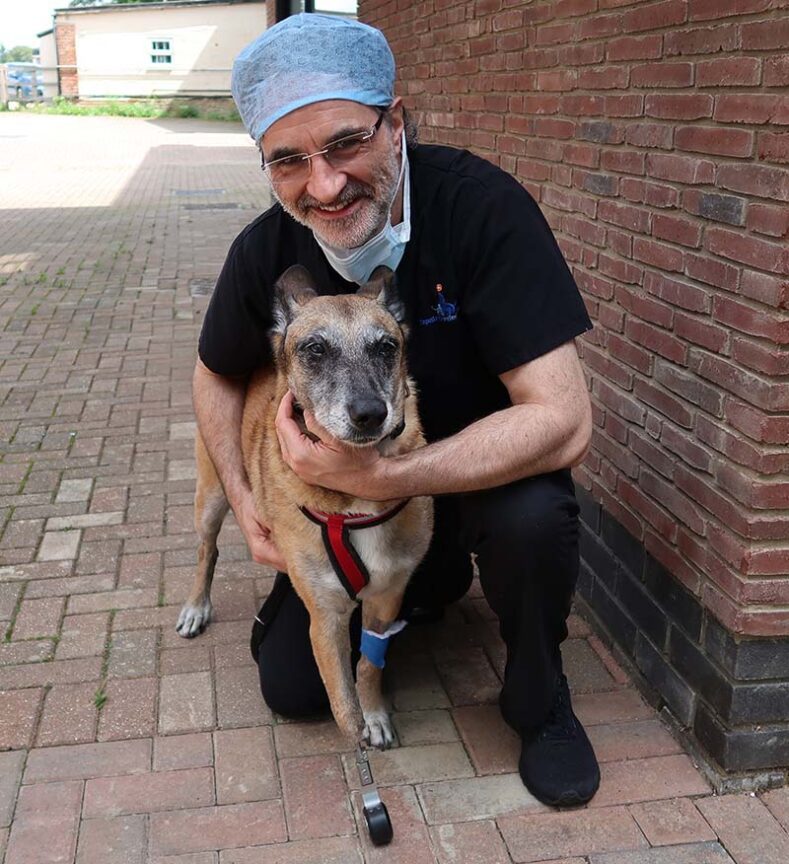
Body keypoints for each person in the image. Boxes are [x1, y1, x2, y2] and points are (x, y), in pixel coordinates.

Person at [195, 13, 599, 807]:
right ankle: (414, 591)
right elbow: (213, 375)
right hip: (337, 510)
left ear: (396, 120)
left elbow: (564, 418)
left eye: (346, 143)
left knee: (535, 513)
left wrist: (393, 476)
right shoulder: (263, 250)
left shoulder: (483, 210)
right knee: (293, 690)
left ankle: (540, 699)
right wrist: (247, 507)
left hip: (473, 474)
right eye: (287, 161)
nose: (323, 185)